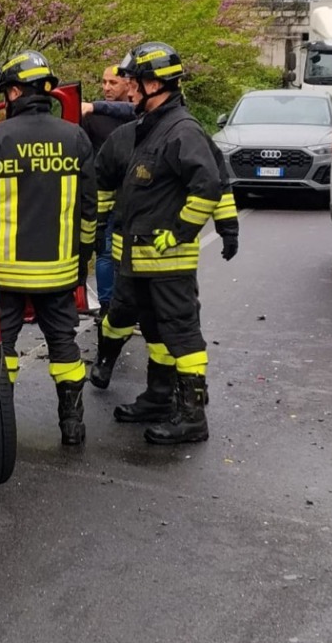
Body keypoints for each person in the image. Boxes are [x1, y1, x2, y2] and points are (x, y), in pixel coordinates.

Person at [89, 42, 240, 445]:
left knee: (182, 335)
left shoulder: (182, 131)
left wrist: (182, 232)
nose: (128, 88)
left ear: (154, 84)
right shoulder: (149, 127)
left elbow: (209, 186)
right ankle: (158, 397)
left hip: (168, 261)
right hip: (139, 261)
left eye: (133, 81)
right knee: (155, 332)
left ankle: (192, 417)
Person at [0, 50, 97, 446]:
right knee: (64, 343)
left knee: (4, 347)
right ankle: (73, 426)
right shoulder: (76, 137)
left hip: (5, 274)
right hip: (60, 271)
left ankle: (2, 425)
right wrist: (81, 263)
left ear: (14, 92)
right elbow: (90, 211)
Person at [81, 66, 139, 318]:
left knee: (132, 252)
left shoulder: (138, 111)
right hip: (104, 197)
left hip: (135, 196)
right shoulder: (91, 117)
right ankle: (107, 307)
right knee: (104, 252)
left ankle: (130, 306)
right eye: (103, 82)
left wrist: (94, 106)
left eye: (113, 82)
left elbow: (130, 109)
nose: (106, 87)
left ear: (128, 84)